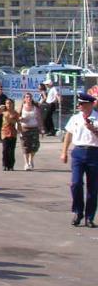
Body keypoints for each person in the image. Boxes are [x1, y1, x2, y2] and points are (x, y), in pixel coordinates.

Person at [60, 93, 98, 227]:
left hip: (94, 152)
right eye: (79, 103)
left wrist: (93, 129)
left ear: (90, 104)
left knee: (93, 187)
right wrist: (64, 152)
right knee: (75, 183)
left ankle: (89, 217)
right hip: (78, 152)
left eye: (82, 104)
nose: (79, 106)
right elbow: (68, 135)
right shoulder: (75, 118)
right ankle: (78, 211)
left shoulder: (97, 117)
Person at [0, 98, 20, 171]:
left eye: (10, 103)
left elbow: (18, 123)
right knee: (5, 150)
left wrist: (20, 131)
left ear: (13, 104)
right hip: (4, 132)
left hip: (13, 133)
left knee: (11, 150)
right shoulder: (4, 112)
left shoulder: (15, 113)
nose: (9, 105)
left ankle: (11, 166)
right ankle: (5, 165)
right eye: (7, 103)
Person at [19, 92, 41, 171]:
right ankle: (26, 163)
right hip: (24, 129)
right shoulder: (22, 107)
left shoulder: (35, 107)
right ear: (24, 99)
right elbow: (17, 116)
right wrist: (21, 119)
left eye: (30, 97)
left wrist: (41, 128)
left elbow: (39, 118)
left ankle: (31, 160)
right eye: (27, 97)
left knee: (34, 146)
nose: (29, 98)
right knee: (25, 146)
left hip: (34, 128)